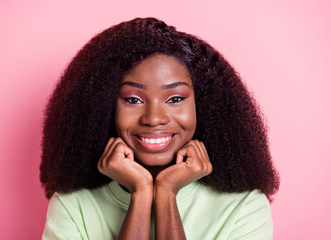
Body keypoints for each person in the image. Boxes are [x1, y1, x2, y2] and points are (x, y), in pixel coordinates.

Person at [40, 17, 279, 239]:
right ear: (103, 107)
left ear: (204, 105)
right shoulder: (73, 206)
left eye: (174, 99)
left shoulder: (243, 207)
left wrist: (166, 194)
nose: (154, 119)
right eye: (133, 99)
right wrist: (141, 194)